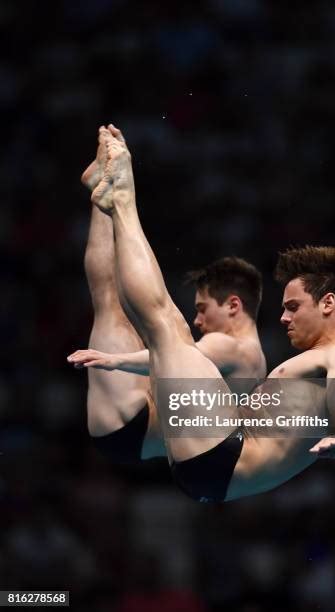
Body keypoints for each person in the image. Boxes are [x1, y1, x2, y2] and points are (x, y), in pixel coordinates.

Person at [83, 124, 335, 502]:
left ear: (329, 304)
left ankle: (121, 200)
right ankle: (113, 201)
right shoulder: (306, 366)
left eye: (293, 307)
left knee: (165, 326)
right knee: (165, 329)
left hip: (224, 457)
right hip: (211, 467)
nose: (283, 319)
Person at [69, 127, 266, 465]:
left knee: (118, 308)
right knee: (108, 301)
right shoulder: (253, 360)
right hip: (138, 430)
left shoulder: (233, 347)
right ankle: (102, 191)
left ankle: (111, 198)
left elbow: (167, 349)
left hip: (132, 423)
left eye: (203, 309)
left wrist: (116, 361)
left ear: (234, 305)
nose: (198, 318)